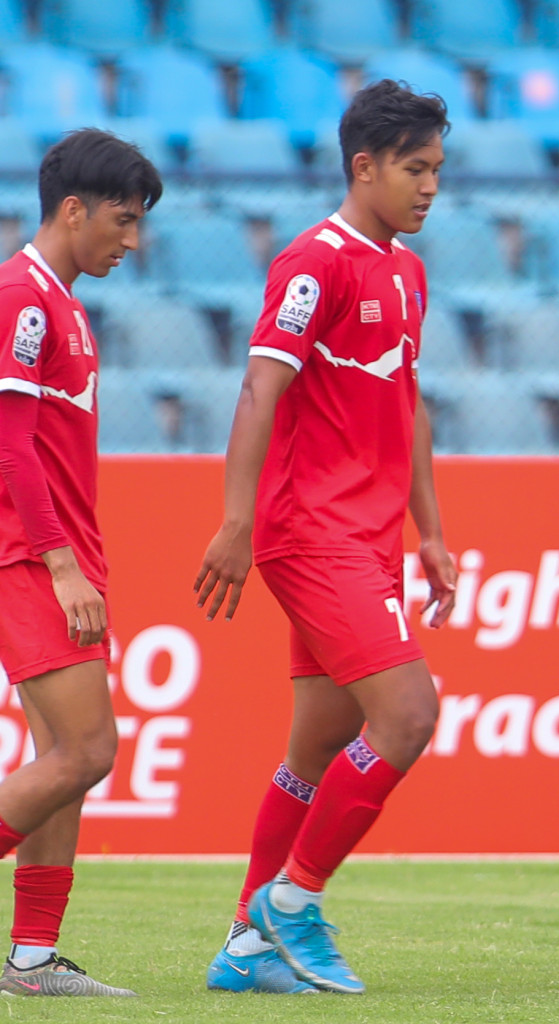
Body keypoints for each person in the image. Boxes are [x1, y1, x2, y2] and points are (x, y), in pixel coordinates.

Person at [195, 80, 456, 995]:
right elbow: (261, 387)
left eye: (437, 170)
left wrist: (430, 529)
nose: (430, 187)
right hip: (312, 534)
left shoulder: (408, 271)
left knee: (316, 747)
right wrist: (236, 519)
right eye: (416, 169)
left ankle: (245, 945)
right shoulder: (317, 262)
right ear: (365, 166)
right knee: (410, 716)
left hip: (371, 536)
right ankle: (293, 903)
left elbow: (408, 403)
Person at [0, 128, 161, 997]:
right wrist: (60, 563)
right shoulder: (23, 297)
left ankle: (30, 959)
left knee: (59, 751)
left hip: (58, 554)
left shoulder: (61, 302)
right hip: (29, 557)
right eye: (123, 221)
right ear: (73, 210)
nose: (131, 242)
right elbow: (12, 447)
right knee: (88, 750)